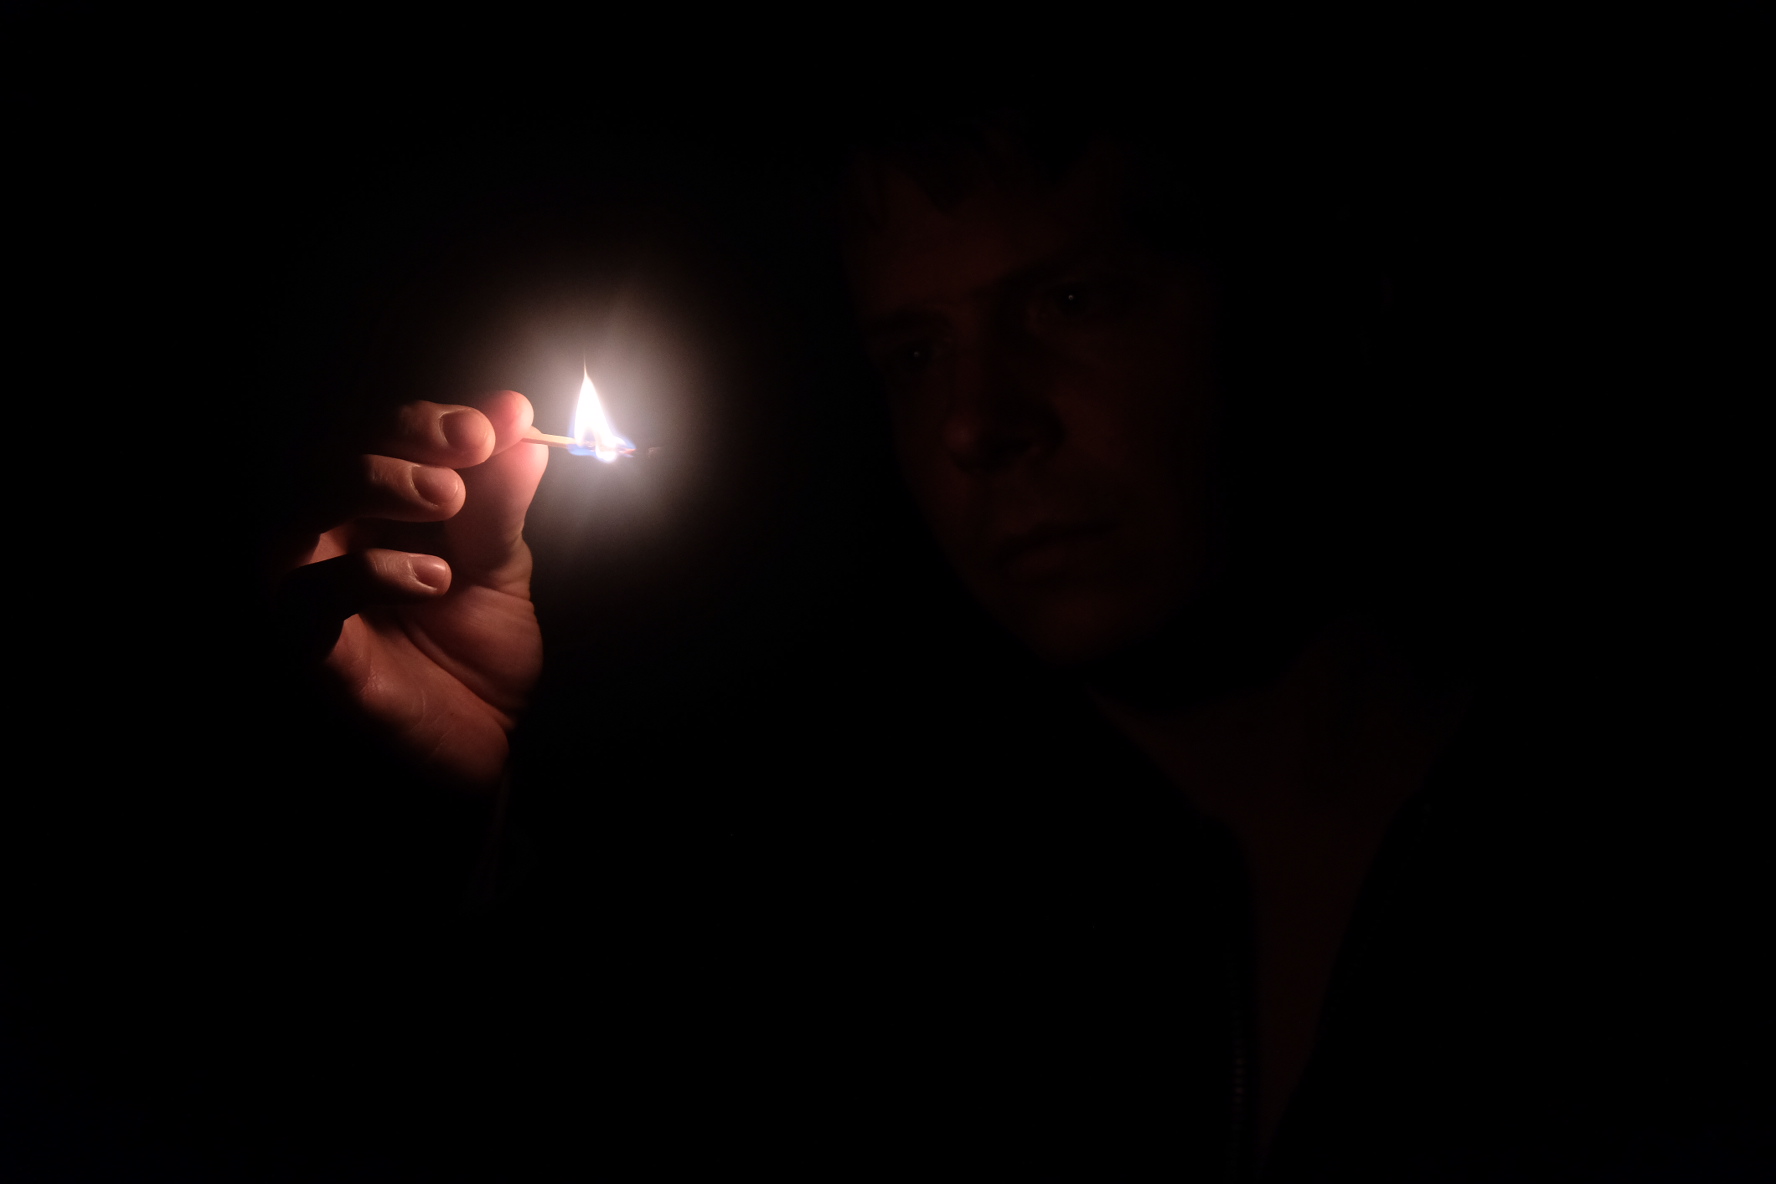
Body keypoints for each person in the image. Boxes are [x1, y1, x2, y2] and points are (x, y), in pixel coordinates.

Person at [264, 106, 1767, 1181]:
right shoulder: (898, 926)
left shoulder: (1649, 873)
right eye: (917, 352)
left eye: (1071, 299)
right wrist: (457, 823)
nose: (980, 425)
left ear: (1329, 296)